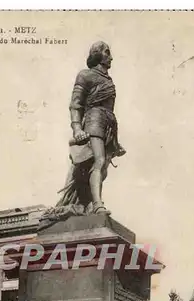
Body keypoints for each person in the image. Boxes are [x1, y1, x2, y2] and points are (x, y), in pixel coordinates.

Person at [57, 41, 126, 214]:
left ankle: (89, 202)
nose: (111, 57)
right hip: (94, 120)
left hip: (109, 124)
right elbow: (75, 105)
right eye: (107, 52)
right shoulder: (85, 75)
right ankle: (97, 204)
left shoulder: (108, 80)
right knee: (99, 161)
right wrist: (77, 129)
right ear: (97, 54)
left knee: (103, 170)